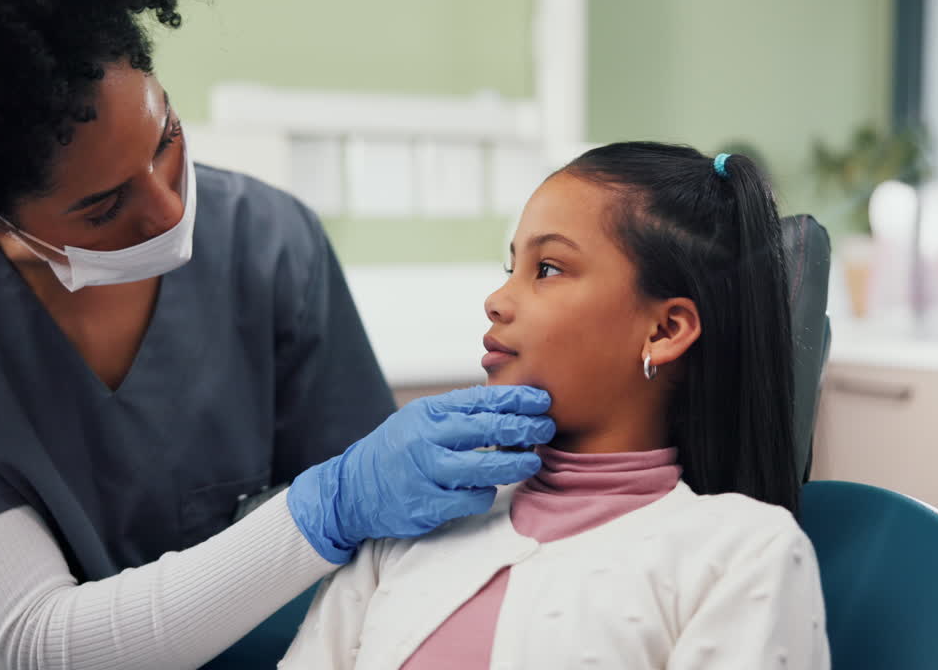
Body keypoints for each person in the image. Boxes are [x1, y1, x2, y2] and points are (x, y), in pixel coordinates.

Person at [0, 0, 555, 668]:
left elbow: (384, 566)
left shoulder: (270, 240)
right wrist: (326, 504)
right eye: (103, 206)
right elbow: (42, 644)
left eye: (166, 139)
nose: (168, 209)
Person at [280, 143, 831, 669]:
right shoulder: (411, 522)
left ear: (664, 330)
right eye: (510, 267)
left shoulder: (743, 554)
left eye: (547, 269)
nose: (495, 301)